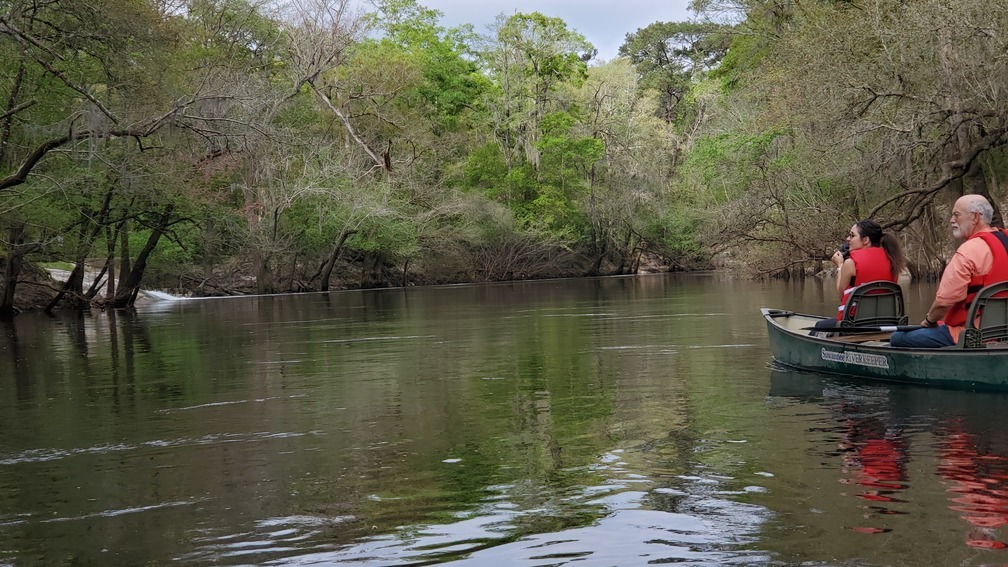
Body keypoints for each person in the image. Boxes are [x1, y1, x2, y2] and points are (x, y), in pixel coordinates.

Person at [890, 195, 1008, 348]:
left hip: (971, 334)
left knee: (898, 337)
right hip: (1003, 331)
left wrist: (929, 321)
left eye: (956, 215)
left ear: (975, 217)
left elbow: (943, 302)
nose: (951, 220)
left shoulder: (968, 252)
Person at [814, 220, 906, 330]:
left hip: (854, 324)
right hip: (885, 322)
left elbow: (841, 295)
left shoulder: (851, 263)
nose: (848, 239)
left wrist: (840, 265)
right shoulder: (893, 260)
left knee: (819, 326)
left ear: (866, 240)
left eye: (852, 235)